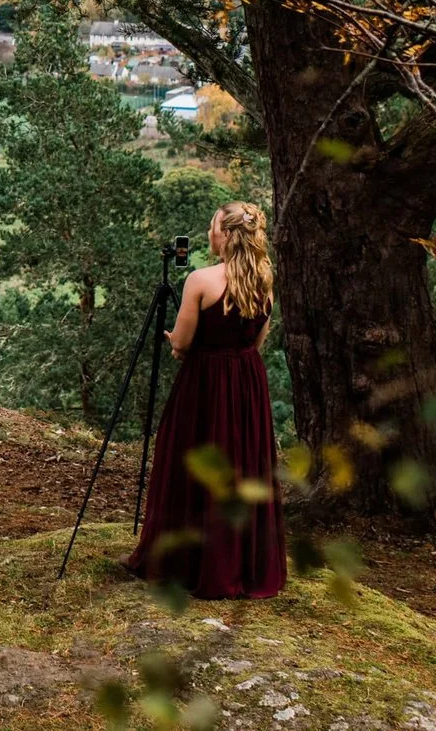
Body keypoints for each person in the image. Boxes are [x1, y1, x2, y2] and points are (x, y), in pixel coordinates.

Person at [126, 201, 286, 599]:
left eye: (214, 227)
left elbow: (181, 343)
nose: (209, 234)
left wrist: (178, 346)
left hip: (205, 383)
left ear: (228, 235)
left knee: (192, 462)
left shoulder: (200, 280)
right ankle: (242, 563)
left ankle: (190, 561)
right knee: (242, 464)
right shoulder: (266, 279)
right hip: (247, 382)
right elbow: (258, 341)